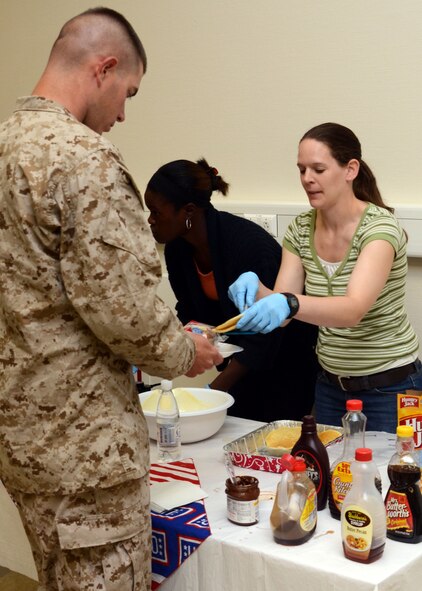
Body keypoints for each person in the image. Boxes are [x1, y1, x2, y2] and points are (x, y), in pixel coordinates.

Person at [0, 8, 222, 591]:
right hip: (85, 451)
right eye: (127, 92)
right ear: (104, 67)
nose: (122, 113)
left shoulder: (5, 144)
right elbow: (128, 314)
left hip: (24, 440)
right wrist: (183, 352)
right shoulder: (81, 159)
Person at [228, 122, 422, 433]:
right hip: (331, 387)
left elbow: (352, 310)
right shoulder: (301, 229)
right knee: (332, 478)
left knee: (392, 479)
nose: (307, 179)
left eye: (318, 169)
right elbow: (285, 311)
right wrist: (258, 290)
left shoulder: (379, 230)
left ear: (350, 169)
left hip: (389, 388)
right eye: (301, 169)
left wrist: (286, 302)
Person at [144, 158, 319, 422]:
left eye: (156, 212)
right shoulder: (177, 249)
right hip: (241, 366)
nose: (150, 220)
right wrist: (186, 347)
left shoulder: (248, 245)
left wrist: (213, 391)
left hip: (286, 367)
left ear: (188, 211)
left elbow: (266, 337)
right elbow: (189, 311)